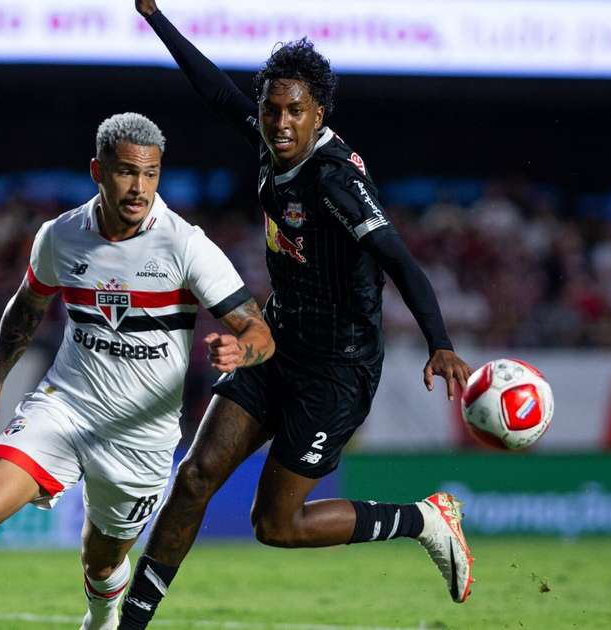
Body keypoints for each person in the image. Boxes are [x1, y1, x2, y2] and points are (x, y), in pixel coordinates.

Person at [117, 3, 478, 628]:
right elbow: (215, 91)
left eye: (295, 111)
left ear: (319, 114)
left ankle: (422, 519)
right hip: (277, 340)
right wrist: (154, 17)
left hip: (336, 370)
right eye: (271, 109)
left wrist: (439, 341)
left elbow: (399, 259)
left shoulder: (334, 181)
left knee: (275, 526)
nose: (280, 123)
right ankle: (130, 624)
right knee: (196, 477)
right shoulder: (268, 138)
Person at [0, 112, 274, 630]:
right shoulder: (61, 235)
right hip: (66, 406)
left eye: (151, 174)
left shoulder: (185, 245)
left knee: (102, 562)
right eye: (126, 172)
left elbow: (260, 332)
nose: (139, 187)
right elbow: (27, 307)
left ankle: (100, 620)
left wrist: (241, 351)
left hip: (140, 437)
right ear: (98, 171)